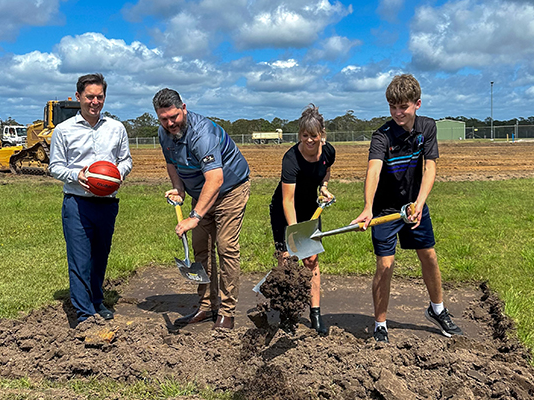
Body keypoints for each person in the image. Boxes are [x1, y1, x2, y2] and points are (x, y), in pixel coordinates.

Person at [351, 74, 462, 342]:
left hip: (414, 205)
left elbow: (430, 166)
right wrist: (368, 207)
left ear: (417, 104)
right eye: (392, 106)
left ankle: (437, 310)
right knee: (385, 265)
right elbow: (373, 170)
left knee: (429, 256)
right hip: (386, 210)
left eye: (403, 106)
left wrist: (420, 203)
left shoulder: (427, 128)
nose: (398, 112)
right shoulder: (382, 136)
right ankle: (380, 324)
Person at [153, 88, 250, 330]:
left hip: (230, 189)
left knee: (226, 247)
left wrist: (195, 216)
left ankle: (226, 313)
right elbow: (171, 162)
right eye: (163, 119)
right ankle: (207, 306)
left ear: (183, 108)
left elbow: (215, 180)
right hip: (201, 193)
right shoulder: (164, 133)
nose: (170, 123)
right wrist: (179, 189)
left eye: (174, 116)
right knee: (201, 249)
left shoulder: (202, 133)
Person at [49, 73, 132, 324]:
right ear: (78, 97)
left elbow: (126, 160)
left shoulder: (116, 128)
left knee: (100, 256)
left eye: (100, 97)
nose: (95, 102)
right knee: (80, 258)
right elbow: (55, 166)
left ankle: (97, 301)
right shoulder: (63, 131)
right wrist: (77, 175)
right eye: (89, 97)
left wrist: (116, 176)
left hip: (107, 203)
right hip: (77, 202)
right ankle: (85, 314)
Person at [269, 104, 335, 335]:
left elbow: (326, 171)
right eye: (304, 135)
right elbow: (288, 201)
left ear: (322, 135)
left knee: (311, 260)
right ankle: (286, 315)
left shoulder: (328, 152)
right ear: (300, 135)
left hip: (310, 210)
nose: (309, 140)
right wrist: (295, 235)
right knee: (287, 260)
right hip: (284, 210)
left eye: (313, 136)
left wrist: (324, 187)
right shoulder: (291, 159)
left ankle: (315, 315)